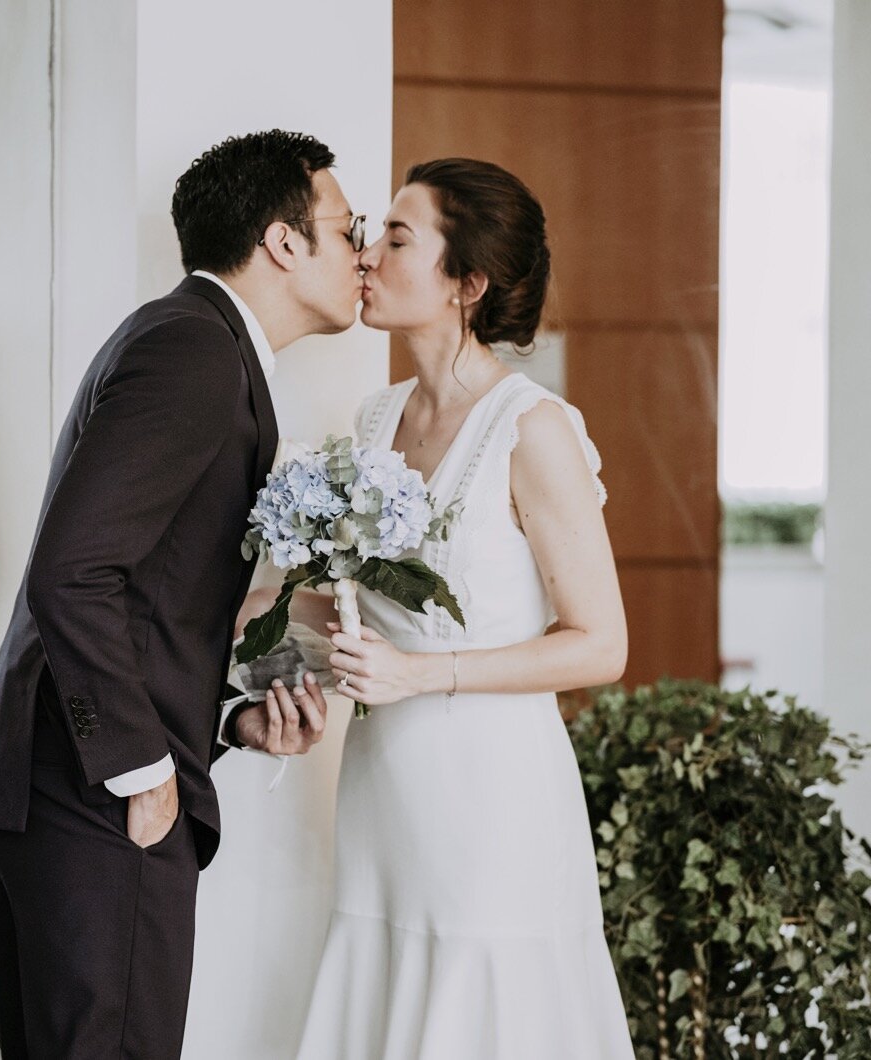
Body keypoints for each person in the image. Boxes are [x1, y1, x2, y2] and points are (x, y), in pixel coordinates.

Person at [0, 130, 363, 1058]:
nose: (361, 253)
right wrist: (142, 769)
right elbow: (72, 572)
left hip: (56, 783)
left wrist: (225, 722)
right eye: (347, 228)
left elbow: (146, 592)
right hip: (91, 794)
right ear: (283, 243)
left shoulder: (196, 342)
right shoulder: (194, 351)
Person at [273, 158, 636, 1058]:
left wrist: (421, 675)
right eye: (371, 232)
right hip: (384, 792)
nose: (365, 253)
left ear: (466, 282)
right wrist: (263, 633)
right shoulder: (372, 420)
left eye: (397, 237)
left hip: (493, 799)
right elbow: (354, 613)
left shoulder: (534, 429)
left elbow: (601, 645)